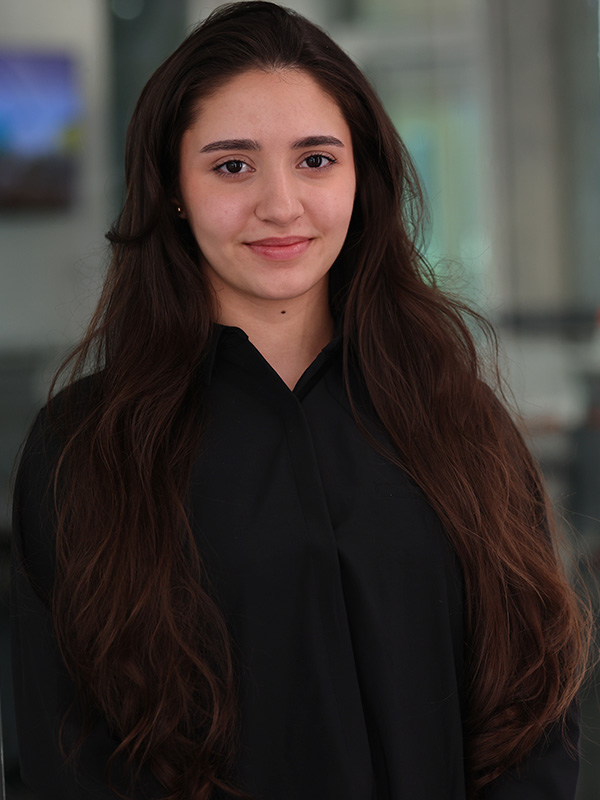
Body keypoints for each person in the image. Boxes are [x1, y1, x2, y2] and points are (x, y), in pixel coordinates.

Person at [10, 2, 590, 799]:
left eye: (316, 160)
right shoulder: (83, 449)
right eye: (232, 165)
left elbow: (531, 709)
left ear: (362, 177)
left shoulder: (459, 421)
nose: (281, 205)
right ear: (173, 188)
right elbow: (70, 760)